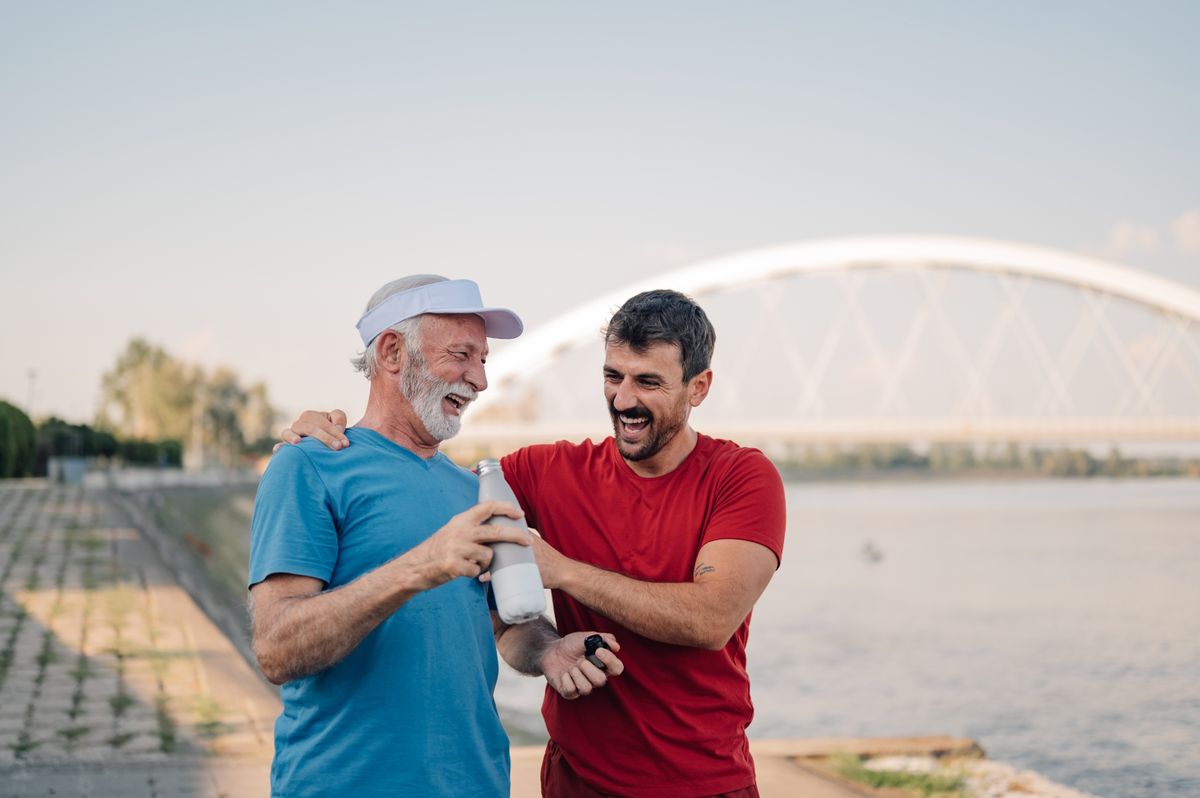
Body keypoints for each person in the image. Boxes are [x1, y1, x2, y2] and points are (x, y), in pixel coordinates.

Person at [285, 289, 786, 798]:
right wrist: (329, 443)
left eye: (648, 382)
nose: (624, 399)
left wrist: (562, 570)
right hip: (576, 782)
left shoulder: (741, 476)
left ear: (698, 387)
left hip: (705, 783)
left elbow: (710, 620)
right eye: (613, 377)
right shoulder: (540, 472)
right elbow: (422, 490)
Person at [250, 275, 622, 798]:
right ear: (393, 351)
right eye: (461, 355)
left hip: (475, 784)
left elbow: (499, 623)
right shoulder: (308, 465)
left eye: (484, 359)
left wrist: (547, 651)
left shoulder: (472, 488)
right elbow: (277, 650)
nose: (481, 380)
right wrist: (421, 567)